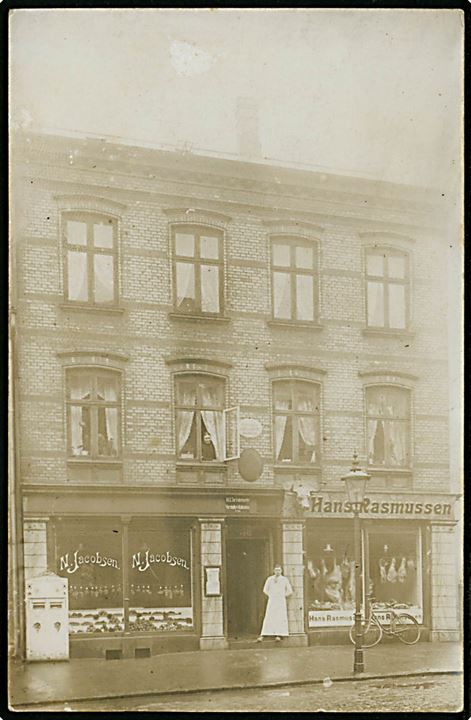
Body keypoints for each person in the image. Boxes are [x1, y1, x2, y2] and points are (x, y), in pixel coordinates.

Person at [256, 565, 292, 643]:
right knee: (269, 616)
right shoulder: (270, 579)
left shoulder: (284, 580)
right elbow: (265, 589)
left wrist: (282, 595)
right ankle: (264, 634)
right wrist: (271, 595)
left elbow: (289, 591)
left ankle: (279, 634)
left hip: (281, 601)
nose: (277, 572)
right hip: (272, 601)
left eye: (279, 570)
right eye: (276, 570)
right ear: (273, 571)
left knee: (280, 617)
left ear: (281, 571)